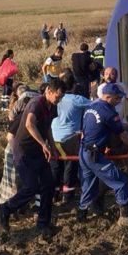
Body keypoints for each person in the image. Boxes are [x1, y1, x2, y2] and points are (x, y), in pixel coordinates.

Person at [0, 79, 65, 238]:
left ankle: (43, 224)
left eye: (61, 97)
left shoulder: (52, 107)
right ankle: (5, 208)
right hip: (24, 151)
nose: (58, 100)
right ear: (48, 90)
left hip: (39, 151)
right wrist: (43, 144)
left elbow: (47, 128)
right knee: (32, 186)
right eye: (57, 96)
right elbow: (29, 124)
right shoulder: (36, 103)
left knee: (48, 184)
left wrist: (52, 146)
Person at [76, 83, 128, 226]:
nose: (119, 101)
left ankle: (81, 215)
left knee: (88, 185)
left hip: (84, 151)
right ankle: (125, 218)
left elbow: (97, 126)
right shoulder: (109, 111)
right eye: (117, 98)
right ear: (108, 97)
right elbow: (121, 134)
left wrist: (125, 125)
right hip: (94, 155)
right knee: (121, 182)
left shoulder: (91, 107)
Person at [51, 71, 90, 203]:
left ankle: (54, 194)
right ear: (73, 86)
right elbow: (95, 105)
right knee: (70, 166)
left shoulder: (55, 97)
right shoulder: (77, 99)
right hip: (69, 138)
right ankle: (67, 196)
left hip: (53, 137)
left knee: (56, 167)